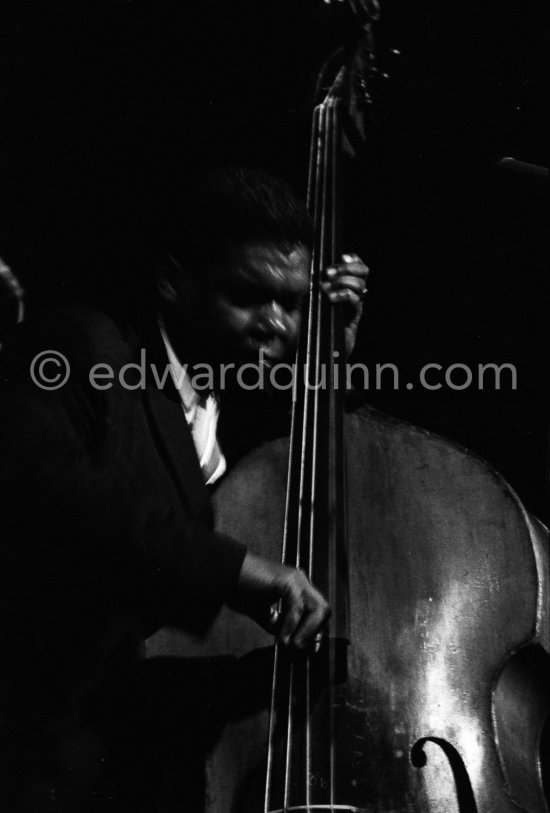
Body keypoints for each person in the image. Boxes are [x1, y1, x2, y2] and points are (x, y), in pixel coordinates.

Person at [0, 165, 369, 811]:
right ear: (174, 281)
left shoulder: (231, 405)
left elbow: (319, 481)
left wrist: (330, 361)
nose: (277, 324)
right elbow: (44, 486)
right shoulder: (83, 348)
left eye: (292, 303)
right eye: (249, 295)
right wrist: (236, 570)